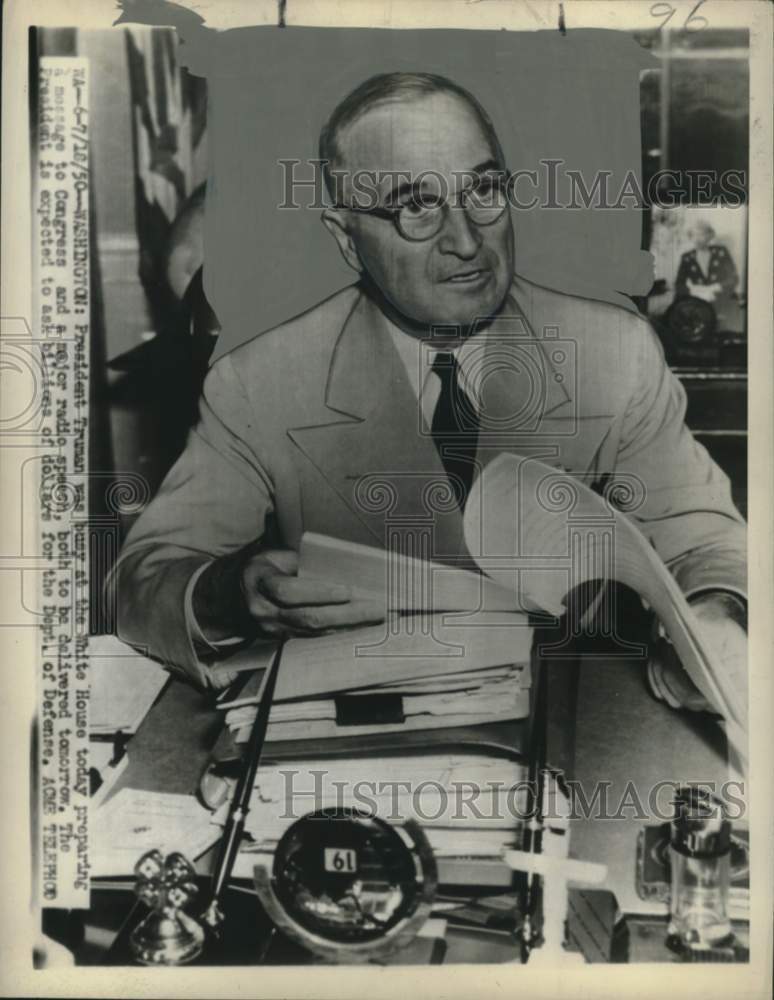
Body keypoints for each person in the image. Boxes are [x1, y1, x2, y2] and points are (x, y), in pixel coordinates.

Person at [112, 73, 747, 726]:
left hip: (572, 727)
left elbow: (703, 537)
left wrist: (716, 615)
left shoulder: (613, 349)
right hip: (360, 735)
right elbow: (142, 580)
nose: (466, 240)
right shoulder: (261, 379)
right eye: (415, 206)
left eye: (484, 190)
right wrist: (227, 594)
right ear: (346, 237)